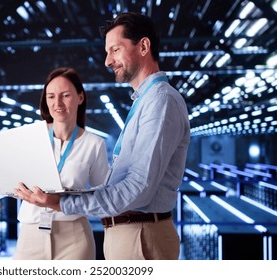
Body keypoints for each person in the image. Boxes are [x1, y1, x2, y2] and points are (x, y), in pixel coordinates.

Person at [15, 12, 190, 260]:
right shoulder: (145, 102)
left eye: (115, 50)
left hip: (140, 235)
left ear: (143, 46)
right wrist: (59, 197)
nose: (108, 61)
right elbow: (115, 186)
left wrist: (60, 203)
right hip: (129, 234)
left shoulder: (160, 101)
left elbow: (138, 189)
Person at [12, 67, 110, 260]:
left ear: (80, 98)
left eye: (65, 95)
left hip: (74, 237)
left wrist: (59, 202)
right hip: (31, 233)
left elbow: (103, 198)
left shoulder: (94, 144)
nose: (57, 103)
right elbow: (14, 182)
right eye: (50, 96)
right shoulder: (29, 137)